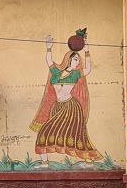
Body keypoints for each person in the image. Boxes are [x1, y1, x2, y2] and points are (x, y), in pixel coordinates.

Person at [30, 35, 103, 167]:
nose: (77, 62)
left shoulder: (76, 74)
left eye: (78, 60)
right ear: (68, 59)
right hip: (57, 107)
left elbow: (88, 69)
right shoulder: (56, 72)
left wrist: (87, 51)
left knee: (77, 134)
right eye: (75, 59)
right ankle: (45, 163)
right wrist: (48, 48)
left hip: (71, 107)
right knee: (44, 132)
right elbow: (49, 61)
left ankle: (88, 161)